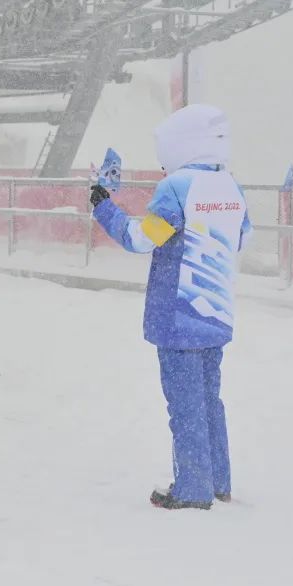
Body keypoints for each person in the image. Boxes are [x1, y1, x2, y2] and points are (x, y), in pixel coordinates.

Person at [90, 104, 251, 511]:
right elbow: (241, 237)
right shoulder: (230, 186)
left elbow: (142, 238)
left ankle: (192, 489)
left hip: (179, 317)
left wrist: (103, 207)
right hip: (216, 312)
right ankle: (218, 481)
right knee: (210, 401)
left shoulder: (177, 188)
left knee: (185, 406)